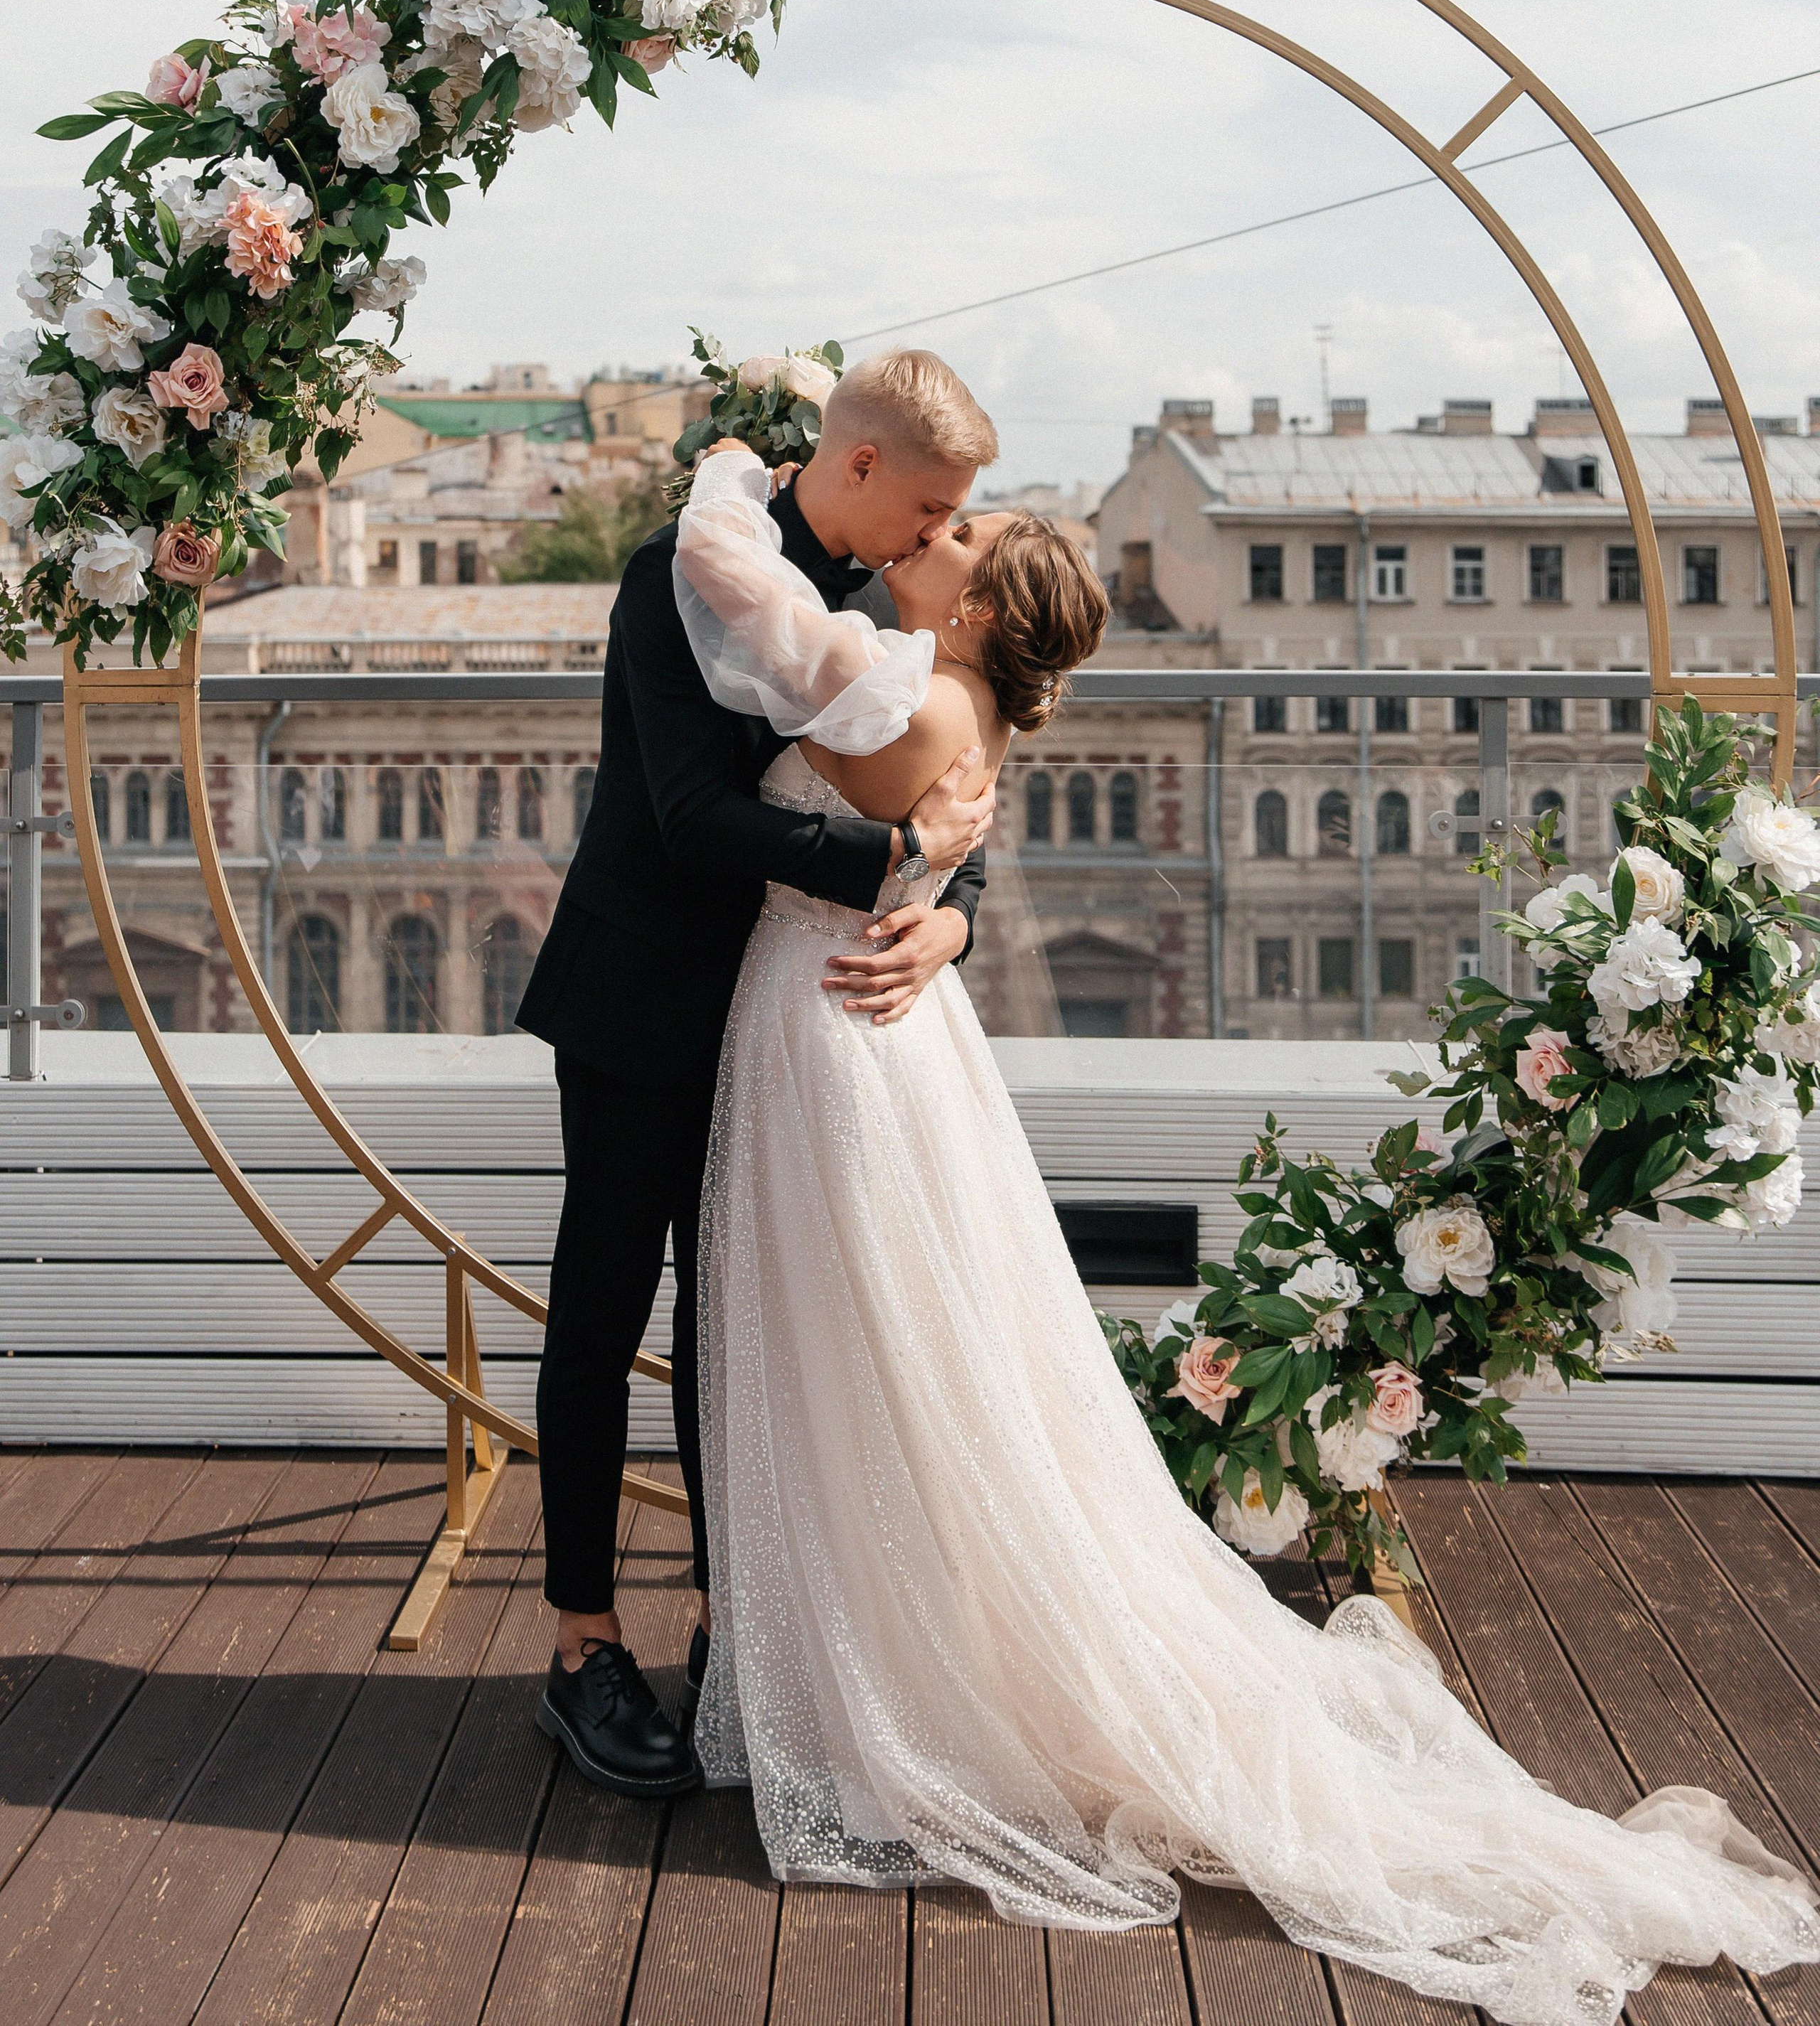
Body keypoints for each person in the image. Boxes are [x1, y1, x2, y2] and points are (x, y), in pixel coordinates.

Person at [670, 438, 1820, 2026]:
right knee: (878, 1352)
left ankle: (898, 1688)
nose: (930, 539)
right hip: (861, 1026)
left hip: (837, 1035)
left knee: (866, 1351)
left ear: (986, 605)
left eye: (961, 533)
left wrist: (728, 484)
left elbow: (758, 635)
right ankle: (880, 1650)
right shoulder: (944, 697)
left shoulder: (913, 698)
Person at [515, 349, 1002, 1799]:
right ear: (852, 466)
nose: (934, 539)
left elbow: (953, 806)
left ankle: (736, 1623)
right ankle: (579, 1646)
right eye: (925, 508)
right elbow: (684, 814)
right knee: (602, 1313)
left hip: (782, 1020)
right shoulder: (678, 567)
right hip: (642, 995)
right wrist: (890, 867)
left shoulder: (880, 606)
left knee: (734, 1327)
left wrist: (951, 915)